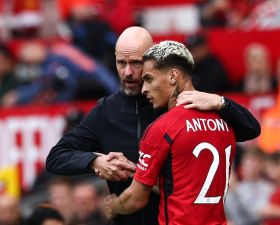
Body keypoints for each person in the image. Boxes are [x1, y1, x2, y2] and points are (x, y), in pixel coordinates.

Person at [46, 26, 261, 225]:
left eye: (136, 63)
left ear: (152, 59)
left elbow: (251, 129)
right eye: (121, 63)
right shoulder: (106, 110)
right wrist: (95, 160)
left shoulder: (186, 106)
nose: (128, 72)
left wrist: (221, 102)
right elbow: (56, 157)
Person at [103, 40, 237, 224]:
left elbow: (135, 200)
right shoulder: (225, 122)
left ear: (173, 77)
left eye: (149, 78)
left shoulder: (163, 128)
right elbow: (185, 184)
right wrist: (136, 170)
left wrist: (113, 206)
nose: (144, 88)